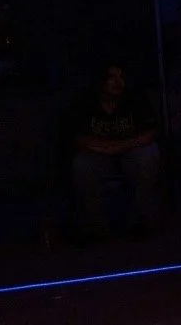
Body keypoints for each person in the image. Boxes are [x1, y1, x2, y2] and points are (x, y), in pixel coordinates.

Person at [69, 61, 161, 241]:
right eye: (112, 77)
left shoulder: (135, 99)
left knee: (149, 155)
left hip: (131, 152)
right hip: (99, 155)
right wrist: (104, 148)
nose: (118, 82)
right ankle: (93, 226)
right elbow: (78, 137)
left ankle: (140, 222)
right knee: (81, 164)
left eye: (121, 77)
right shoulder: (85, 102)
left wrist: (120, 146)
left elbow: (150, 133)